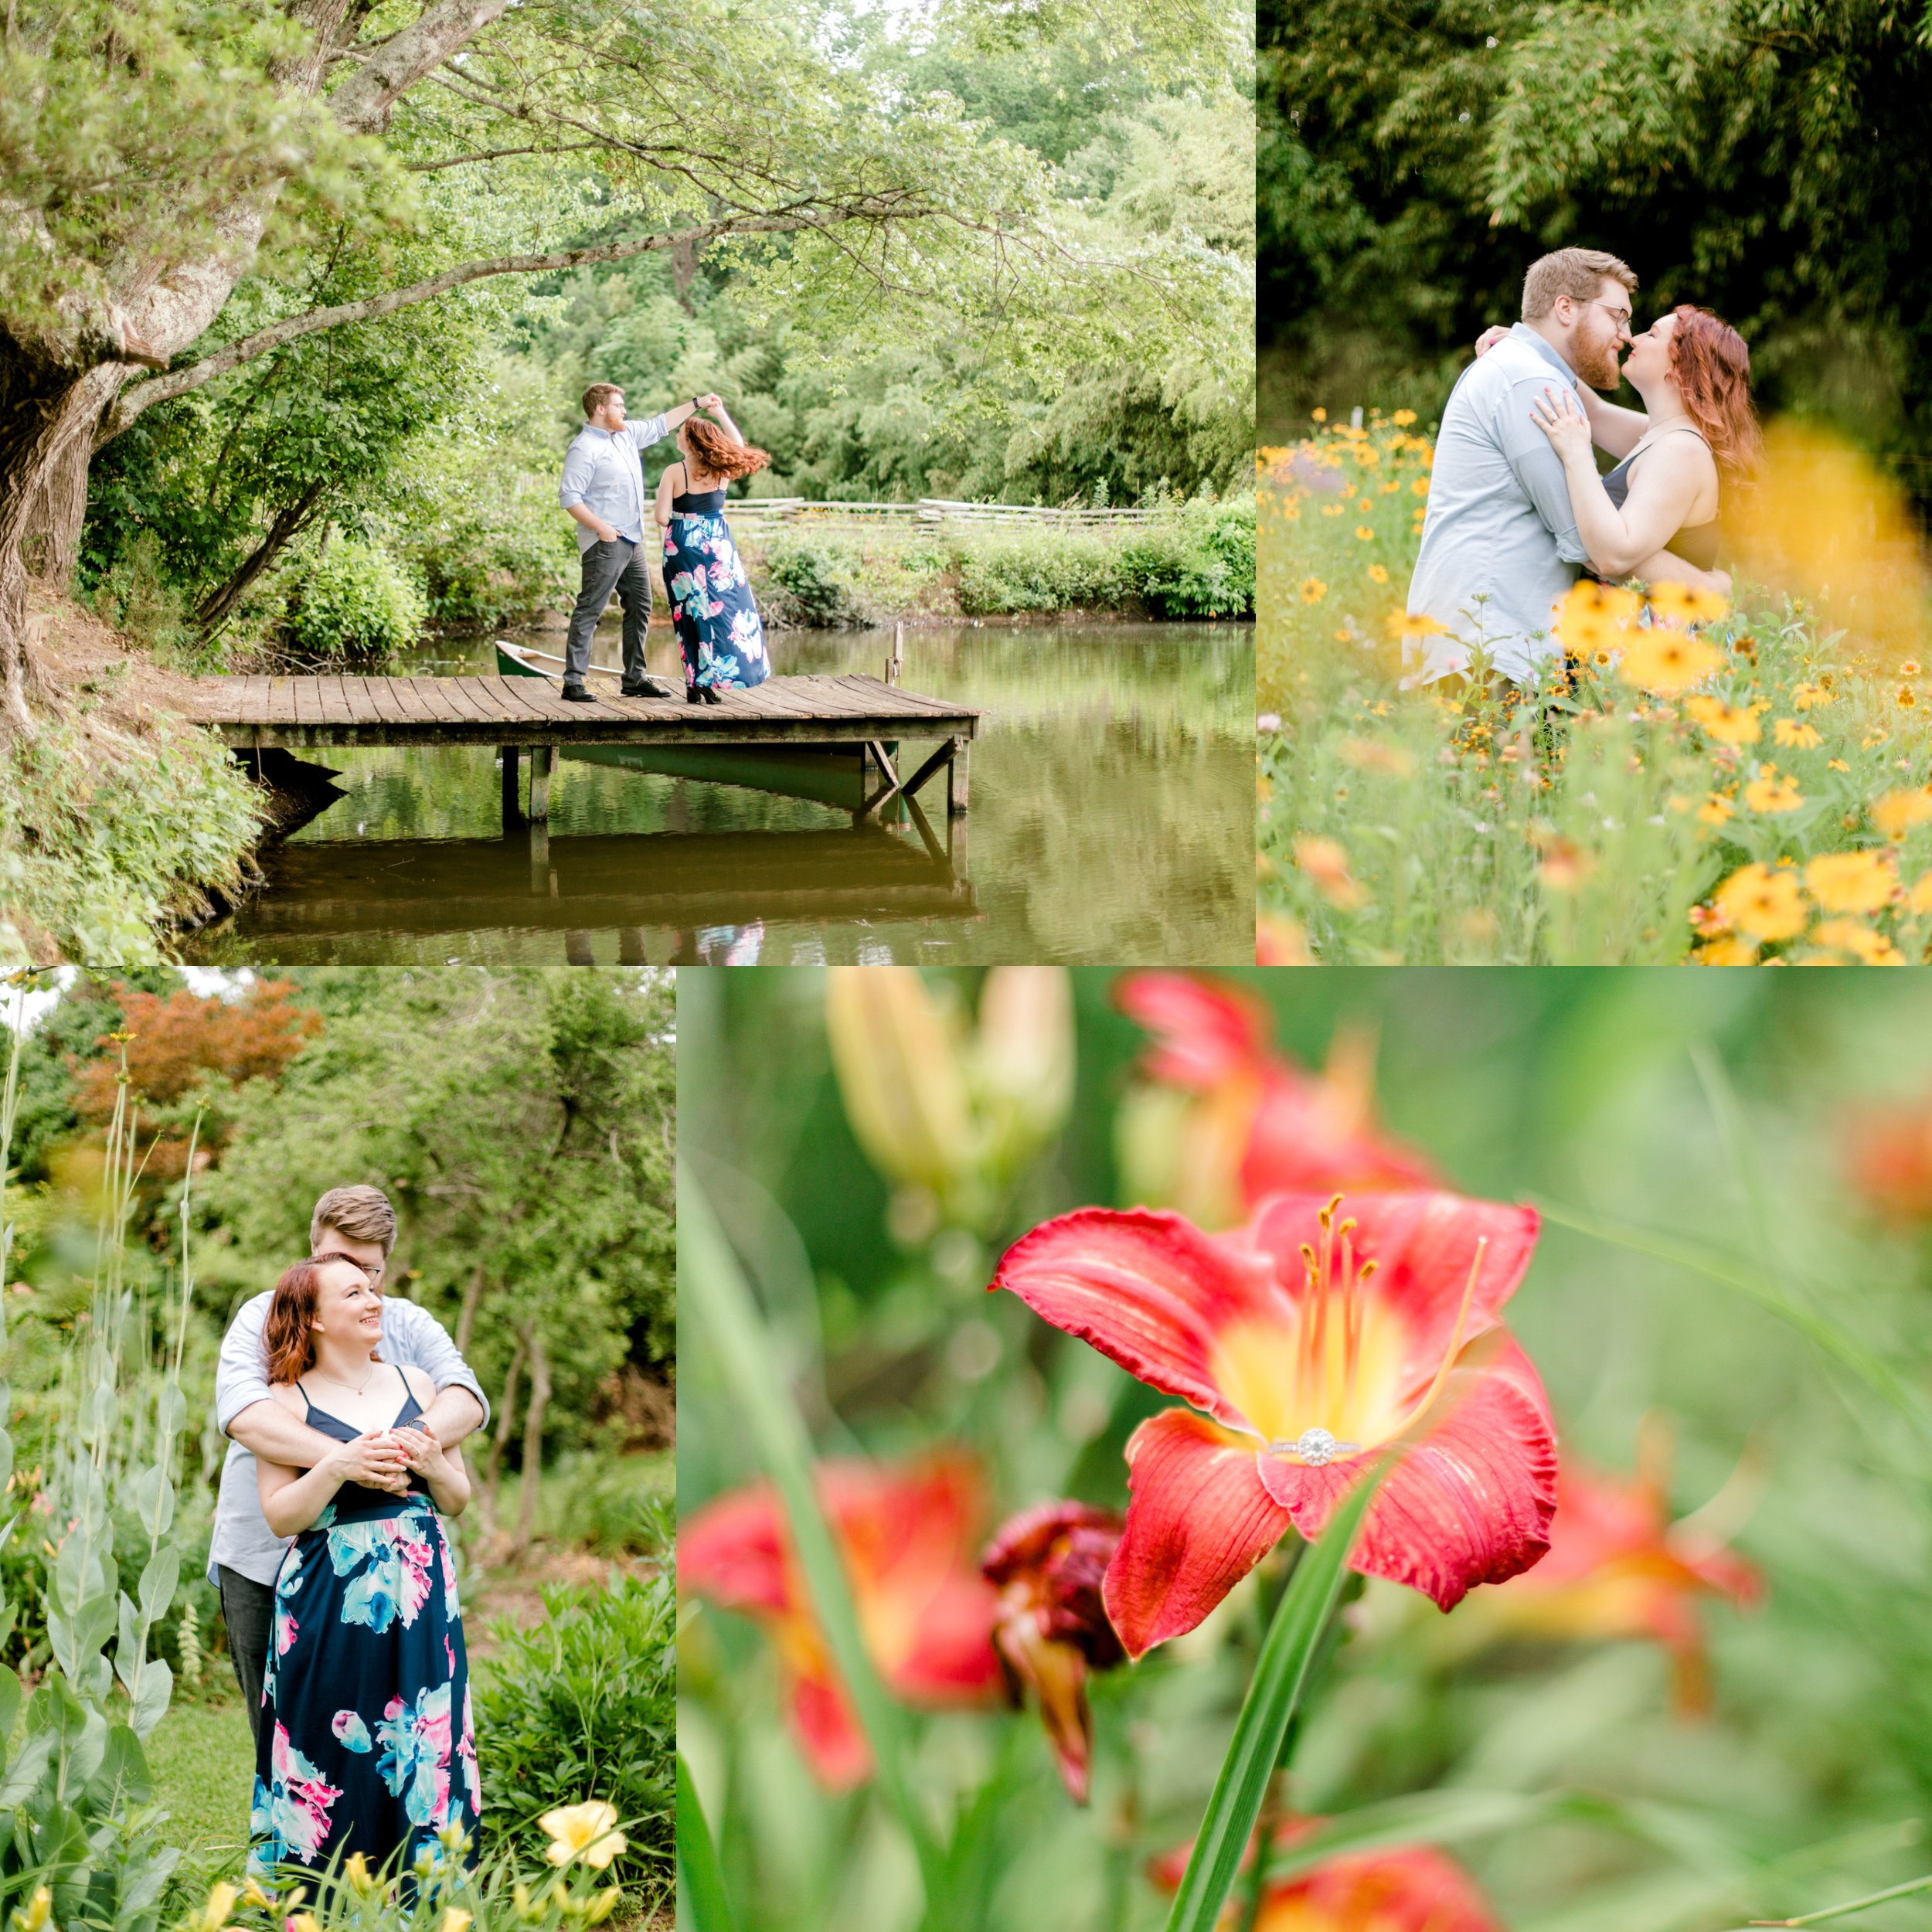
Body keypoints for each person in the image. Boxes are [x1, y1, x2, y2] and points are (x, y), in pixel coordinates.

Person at [211, 1185, 488, 1751]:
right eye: (340, 1264)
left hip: (391, 1573)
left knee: (400, 1729)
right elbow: (246, 1415)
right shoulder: (263, 1316)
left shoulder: (407, 1325)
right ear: (313, 1253)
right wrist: (350, 1460)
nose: (362, 1286)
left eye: (371, 1272)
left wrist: (405, 1448)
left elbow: (465, 1398)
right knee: (288, 1736)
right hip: (265, 1557)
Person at [246, 1254, 479, 1883]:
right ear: (316, 1319)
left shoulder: (418, 1386)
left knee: (422, 1739)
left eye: (372, 1288)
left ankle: (423, 1900)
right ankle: (319, 1901)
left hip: (422, 1591)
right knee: (330, 1738)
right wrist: (337, 1466)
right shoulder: (285, 1401)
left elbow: (456, 1499)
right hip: (329, 1597)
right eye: (353, 1293)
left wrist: (433, 1463)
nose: (374, 1300)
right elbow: (281, 1515)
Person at [1402, 248, 1649, 686]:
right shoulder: (1530, 380)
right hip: (1487, 653)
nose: (1626, 335)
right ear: (1566, 308)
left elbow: (1649, 437)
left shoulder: (1523, 369)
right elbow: (1586, 539)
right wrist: (1697, 583)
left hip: (1484, 648)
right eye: (1618, 316)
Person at [1527, 304, 1758, 593]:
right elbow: (1595, 413)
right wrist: (1528, 346)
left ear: (1679, 364)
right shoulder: (1663, 434)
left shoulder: (1681, 450)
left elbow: (1615, 556)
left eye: (1651, 334)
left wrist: (1577, 454)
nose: (1633, 339)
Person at [557, 386, 725, 702]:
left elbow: (663, 423)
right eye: (618, 405)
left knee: (640, 605)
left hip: (633, 540)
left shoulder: (626, 434)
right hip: (605, 541)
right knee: (590, 608)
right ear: (600, 409)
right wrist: (602, 528)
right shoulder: (583, 448)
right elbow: (569, 498)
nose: (624, 410)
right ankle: (573, 682)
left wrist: (697, 403)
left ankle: (634, 678)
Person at [652, 401, 773, 701]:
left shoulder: (674, 471)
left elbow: (661, 517)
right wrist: (720, 414)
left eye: (681, 433)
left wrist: (683, 517)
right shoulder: (721, 469)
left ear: (691, 441)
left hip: (683, 545)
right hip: (719, 543)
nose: (677, 436)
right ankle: (716, 679)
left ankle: (696, 683)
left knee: (690, 613)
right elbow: (738, 446)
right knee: (727, 610)